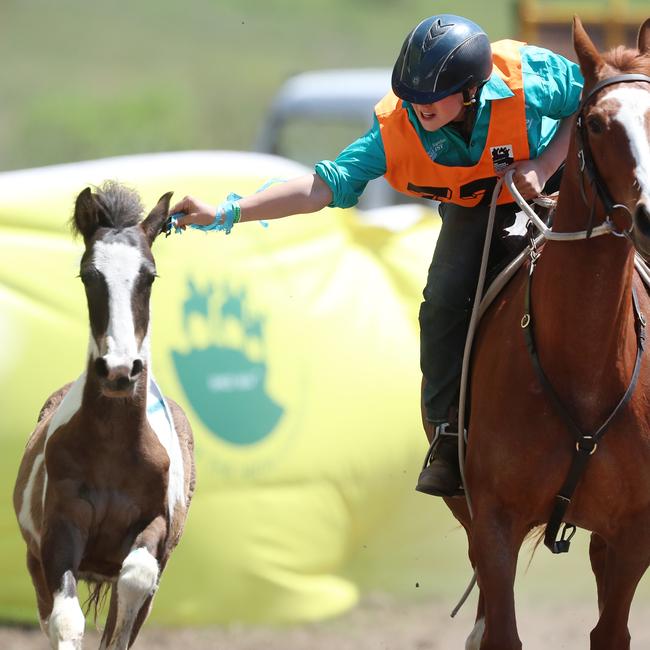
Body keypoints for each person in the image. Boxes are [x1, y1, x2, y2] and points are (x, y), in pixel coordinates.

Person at [169, 14, 584, 497]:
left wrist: (547, 162)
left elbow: (591, 101)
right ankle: (447, 436)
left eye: (430, 97)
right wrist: (225, 211)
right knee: (444, 301)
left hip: (562, 177)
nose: (416, 106)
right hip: (476, 205)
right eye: (410, 94)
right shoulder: (395, 129)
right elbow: (319, 186)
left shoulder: (528, 76)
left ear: (471, 89)